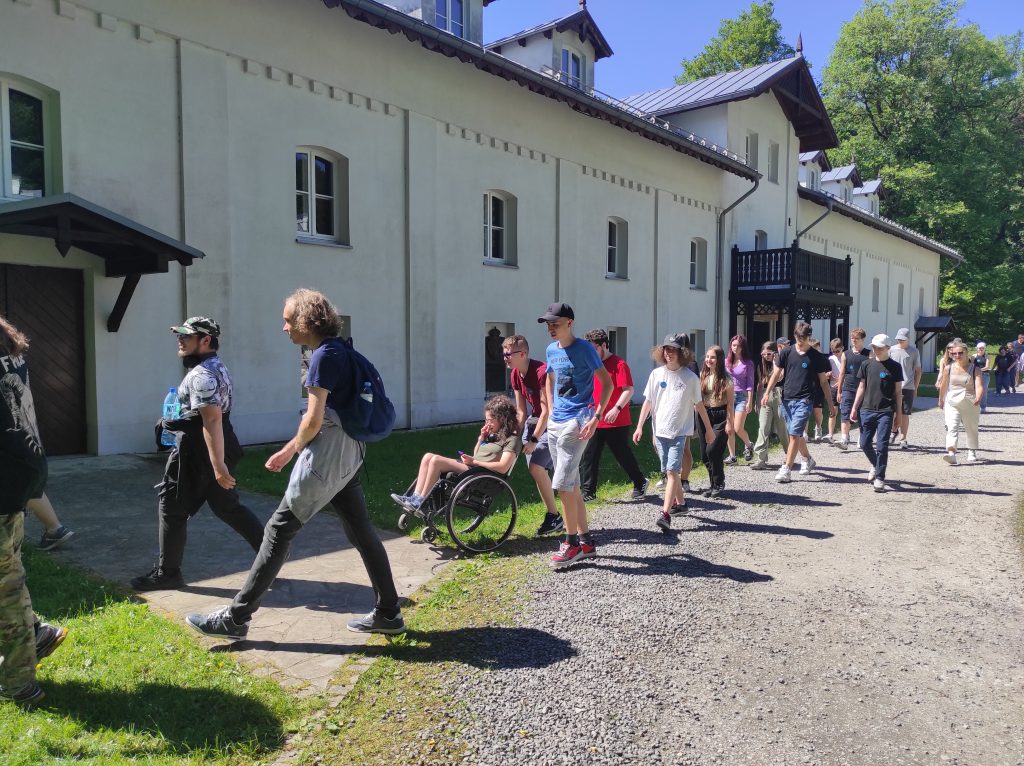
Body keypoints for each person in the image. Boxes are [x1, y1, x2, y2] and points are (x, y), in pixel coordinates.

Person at [187, 289, 405, 640]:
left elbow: (313, 420)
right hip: (349, 454)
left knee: (278, 529)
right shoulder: (343, 351)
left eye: (288, 320)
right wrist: (293, 448)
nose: (284, 327)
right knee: (360, 530)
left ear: (307, 320)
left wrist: (290, 451)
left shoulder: (323, 357)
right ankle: (389, 613)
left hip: (328, 457)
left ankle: (236, 618)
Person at [131, 317, 265, 591]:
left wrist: (218, 465)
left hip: (199, 452)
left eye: (186, 336)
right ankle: (272, 554)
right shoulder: (214, 366)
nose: (180, 340)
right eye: (179, 335)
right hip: (213, 446)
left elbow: (212, 420)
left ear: (205, 340)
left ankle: (168, 574)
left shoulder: (202, 375)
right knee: (228, 508)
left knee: (171, 507)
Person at [0, 316, 69, 707]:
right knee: (7, 575)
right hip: (21, 474)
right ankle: (38, 633)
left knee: (6, 589)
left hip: (6, 480)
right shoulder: (8, 353)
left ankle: (19, 683)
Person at [538, 303, 612, 570]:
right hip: (556, 422)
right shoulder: (551, 350)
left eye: (555, 324)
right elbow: (549, 378)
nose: (551, 328)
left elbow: (607, 383)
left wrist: (596, 416)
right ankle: (586, 542)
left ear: (569, 323)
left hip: (578, 421)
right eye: (548, 324)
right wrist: (550, 408)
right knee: (572, 484)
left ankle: (571, 545)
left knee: (562, 484)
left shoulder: (584, 349)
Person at [633, 334, 713, 531]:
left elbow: (699, 406)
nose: (669, 353)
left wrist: (709, 430)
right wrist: (639, 426)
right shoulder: (656, 374)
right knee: (670, 473)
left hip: (679, 432)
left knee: (671, 471)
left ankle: (665, 514)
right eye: (666, 349)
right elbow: (648, 402)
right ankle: (682, 504)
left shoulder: (690, 378)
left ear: (682, 353)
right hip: (659, 431)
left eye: (673, 350)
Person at [391, 395, 520, 510]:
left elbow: (503, 467)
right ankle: (415, 497)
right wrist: (481, 439)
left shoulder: (512, 440)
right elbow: (477, 454)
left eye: (490, 420)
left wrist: (475, 462)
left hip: (483, 474)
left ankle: (420, 501)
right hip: (474, 467)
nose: (487, 424)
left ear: (503, 419)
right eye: (486, 420)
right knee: (427, 457)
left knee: (436, 461)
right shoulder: (493, 436)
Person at [578, 329, 648, 502]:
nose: (590, 352)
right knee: (589, 455)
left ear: (603, 345)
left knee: (622, 454)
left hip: (616, 420)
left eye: (593, 348)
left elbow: (629, 390)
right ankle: (588, 492)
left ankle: (640, 482)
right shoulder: (591, 364)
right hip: (595, 418)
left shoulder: (619, 364)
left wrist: (616, 408)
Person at [502, 335, 560, 536]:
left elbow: (547, 411)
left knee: (536, 467)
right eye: (504, 354)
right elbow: (521, 411)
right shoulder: (515, 374)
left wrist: (534, 439)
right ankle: (554, 516)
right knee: (536, 470)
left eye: (508, 354)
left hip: (553, 423)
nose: (505, 358)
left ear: (523, 354)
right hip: (534, 422)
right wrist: (513, 435)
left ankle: (555, 515)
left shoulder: (541, 372)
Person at [761, 321, 833, 483]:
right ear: (795, 335)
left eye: (804, 337)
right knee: (796, 433)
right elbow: (776, 374)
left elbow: (823, 381)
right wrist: (766, 393)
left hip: (805, 400)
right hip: (787, 399)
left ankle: (786, 469)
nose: (800, 340)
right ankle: (807, 459)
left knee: (794, 434)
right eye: (798, 337)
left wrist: (830, 403)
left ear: (809, 336)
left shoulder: (816, 357)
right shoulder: (786, 353)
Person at [849, 335, 903, 492]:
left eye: (880, 348)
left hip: (886, 411)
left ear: (888, 348)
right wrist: (854, 407)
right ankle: (875, 464)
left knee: (882, 445)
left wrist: (899, 414)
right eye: (874, 347)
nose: (876, 350)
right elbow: (861, 387)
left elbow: (898, 392)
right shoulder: (866, 364)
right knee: (864, 443)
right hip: (866, 409)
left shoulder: (895, 367)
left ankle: (880, 478)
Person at [937, 340, 983, 465]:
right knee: (952, 426)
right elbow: (944, 385)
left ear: (966, 352)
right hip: (952, 401)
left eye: (960, 353)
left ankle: (972, 451)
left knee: (971, 427)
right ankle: (951, 453)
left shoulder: (975, 369)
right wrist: (941, 399)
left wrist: (978, 397)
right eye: (954, 353)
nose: (957, 356)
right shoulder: (948, 368)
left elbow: (979, 386)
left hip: (970, 400)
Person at [696, 346, 735, 496]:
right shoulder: (702, 375)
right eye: (707, 357)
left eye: (712, 357)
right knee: (704, 455)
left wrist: (730, 422)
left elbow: (730, 404)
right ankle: (713, 485)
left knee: (712, 451)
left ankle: (719, 482)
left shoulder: (726, 380)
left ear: (719, 359)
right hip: (704, 414)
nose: (709, 360)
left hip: (720, 415)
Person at [749, 341, 789, 470]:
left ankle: (789, 455)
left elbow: (780, 377)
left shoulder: (781, 363)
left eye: (769, 354)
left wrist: (776, 361)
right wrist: (757, 401)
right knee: (763, 427)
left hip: (779, 394)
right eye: (764, 354)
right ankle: (761, 458)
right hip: (765, 396)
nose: (766, 356)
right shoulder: (761, 365)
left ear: (775, 353)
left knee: (782, 428)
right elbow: (760, 384)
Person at [834, 328, 869, 451]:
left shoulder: (868, 354)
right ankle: (844, 438)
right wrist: (839, 391)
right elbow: (842, 373)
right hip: (848, 387)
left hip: (864, 389)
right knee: (845, 412)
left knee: (862, 414)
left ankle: (861, 438)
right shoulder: (846, 354)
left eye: (856, 338)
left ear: (862, 339)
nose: (854, 340)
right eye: (852, 338)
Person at [887, 327, 922, 448]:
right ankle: (893, 431)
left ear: (908, 339)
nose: (900, 341)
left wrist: (915, 387)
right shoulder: (891, 350)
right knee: (891, 411)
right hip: (892, 386)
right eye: (898, 339)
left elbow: (918, 370)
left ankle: (903, 438)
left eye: (902, 339)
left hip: (907, 386)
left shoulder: (914, 351)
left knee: (904, 413)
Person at [724, 335, 755, 464]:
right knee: (729, 428)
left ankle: (748, 445)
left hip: (742, 397)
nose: (736, 348)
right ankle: (732, 457)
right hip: (728, 397)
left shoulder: (748, 363)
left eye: (738, 345)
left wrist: (750, 401)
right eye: (734, 345)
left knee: (738, 428)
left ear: (743, 347)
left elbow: (750, 384)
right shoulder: (726, 362)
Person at [807, 339, 826, 442]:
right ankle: (804, 433)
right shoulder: (805, 358)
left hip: (819, 388)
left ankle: (818, 428)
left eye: (816, 348)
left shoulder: (823, 358)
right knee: (805, 411)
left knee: (817, 411)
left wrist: (828, 374)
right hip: (807, 389)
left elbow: (829, 370)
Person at [826, 338, 844, 443]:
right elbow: (827, 372)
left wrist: (841, 382)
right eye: (833, 351)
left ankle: (844, 435)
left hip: (844, 387)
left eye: (838, 351)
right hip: (833, 387)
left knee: (844, 412)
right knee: (833, 411)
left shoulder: (845, 357)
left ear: (842, 348)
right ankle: (830, 434)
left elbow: (848, 373)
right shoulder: (830, 359)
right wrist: (828, 375)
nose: (836, 353)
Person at [970, 342, 990, 414]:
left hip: (984, 375)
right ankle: (974, 406)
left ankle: (983, 407)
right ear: (977, 349)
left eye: (982, 348)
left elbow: (987, 367)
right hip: (975, 375)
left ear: (985, 349)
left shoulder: (987, 356)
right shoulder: (973, 356)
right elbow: (971, 366)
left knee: (983, 391)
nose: (981, 349)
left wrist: (979, 370)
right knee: (974, 391)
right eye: (979, 348)